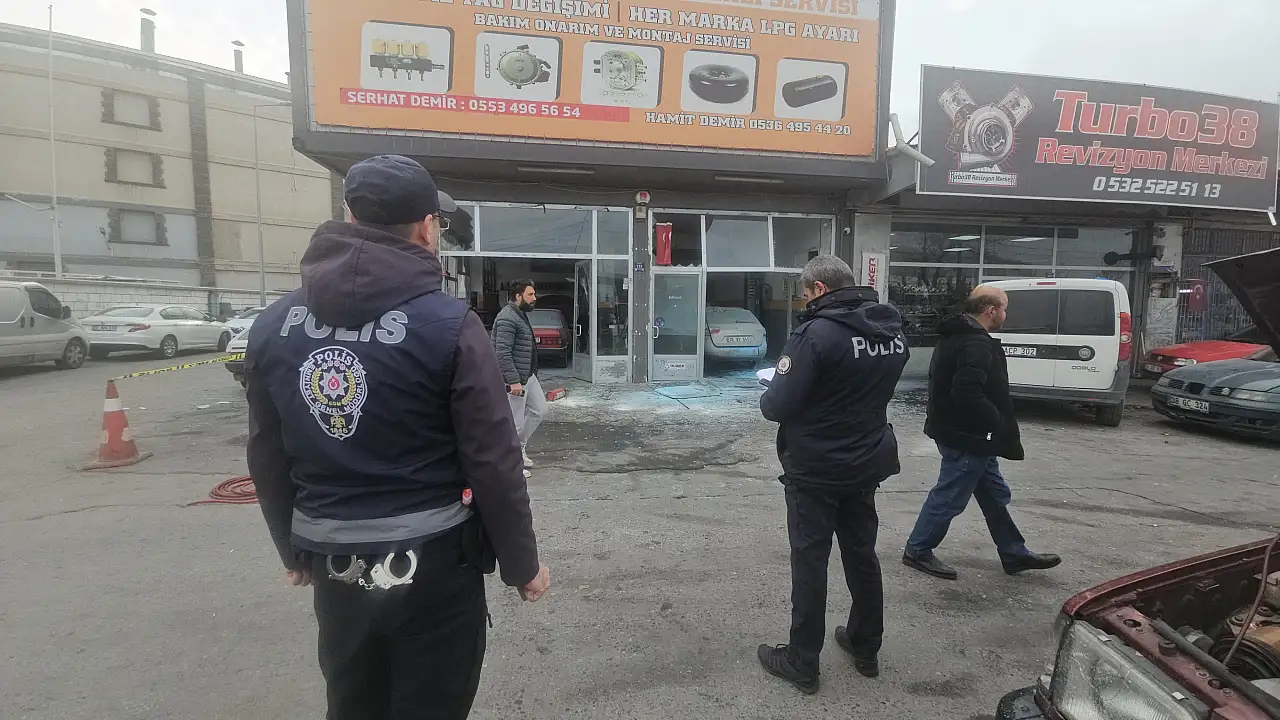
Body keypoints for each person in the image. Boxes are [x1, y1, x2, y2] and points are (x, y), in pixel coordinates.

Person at [244, 155, 550, 720]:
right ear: (428, 228)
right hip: (434, 563)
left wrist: (292, 548)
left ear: (348, 216)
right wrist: (521, 565)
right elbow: (492, 459)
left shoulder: (274, 324)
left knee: (353, 702)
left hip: (335, 563)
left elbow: (266, 448)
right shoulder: (450, 325)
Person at [756, 256, 909, 694]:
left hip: (816, 467)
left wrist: (773, 389)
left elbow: (776, 406)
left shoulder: (815, 334)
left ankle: (802, 660)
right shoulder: (892, 331)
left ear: (820, 289)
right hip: (866, 460)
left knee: (811, 561)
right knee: (861, 555)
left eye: (806, 294)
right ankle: (865, 645)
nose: (805, 301)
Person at [902, 285, 1060, 581]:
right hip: (968, 436)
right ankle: (918, 549)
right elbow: (966, 393)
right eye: (1004, 308)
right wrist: (996, 421)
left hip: (968, 435)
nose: (1005, 314)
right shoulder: (974, 343)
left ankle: (1013, 552)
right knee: (950, 496)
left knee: (994, 495)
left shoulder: (959, 337)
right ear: (991, 310)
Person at [491, 280, 545, 478]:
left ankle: (519, 449)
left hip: (527, 375)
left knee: (539, 411)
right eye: (530, 294)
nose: (534, 298)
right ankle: (511, 465)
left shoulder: (519, 314)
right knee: (515, 423)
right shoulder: (507, 317)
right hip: (515, 380)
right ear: (518, 296)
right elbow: (502, 352)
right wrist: (513, 380)